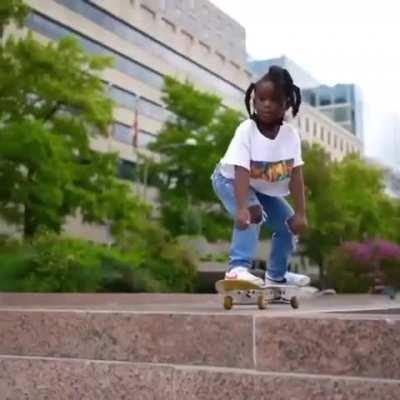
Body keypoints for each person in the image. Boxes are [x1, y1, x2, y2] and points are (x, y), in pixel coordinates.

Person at [211, 66, 310, 287]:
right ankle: (237, 268)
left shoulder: (290, 136)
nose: (266, 104)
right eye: (261, 99)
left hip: (259, 186)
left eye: (274, 100)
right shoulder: (247, 130)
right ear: (253, 101)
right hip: (229, 180)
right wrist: (243, 207)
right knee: (253, 213)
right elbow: (241, 171)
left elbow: (296, 174)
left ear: (286, 104)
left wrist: (301, 213)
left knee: (287, 223)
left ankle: (277, 275)